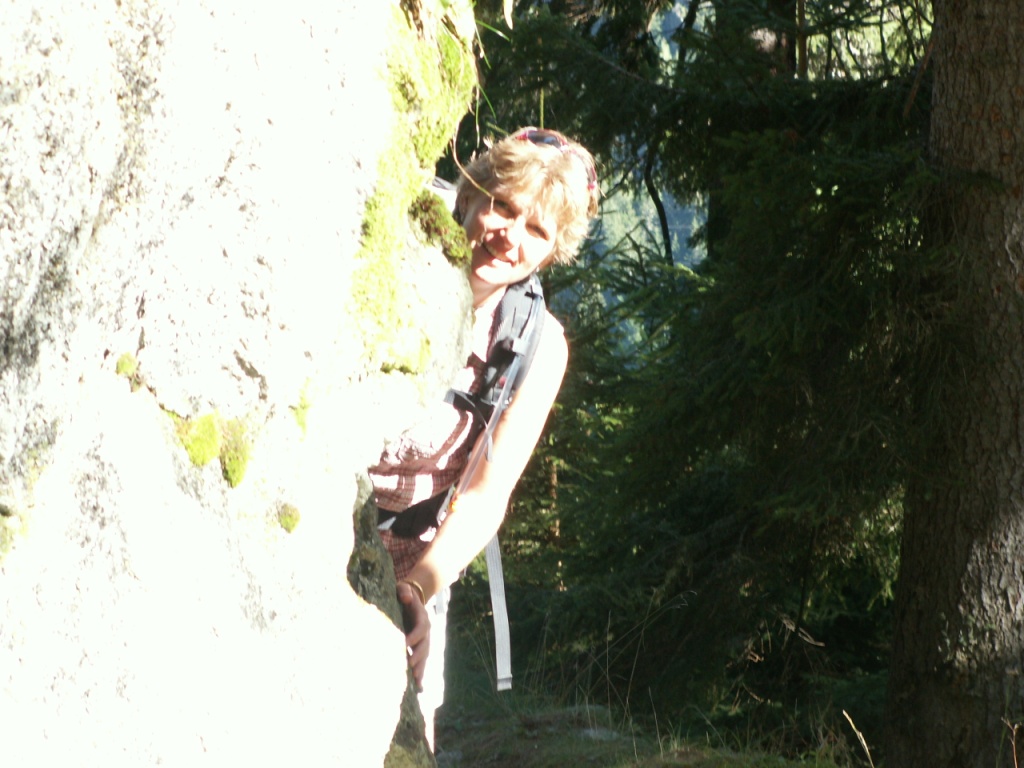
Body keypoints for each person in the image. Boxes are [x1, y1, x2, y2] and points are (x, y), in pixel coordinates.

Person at [369, 127, 599, 747]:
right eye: (502, 206)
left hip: (411, 559)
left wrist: (417, 589)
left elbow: (484, 494)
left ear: (551, 253)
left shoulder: (535, 346)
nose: (510, 236)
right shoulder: (389, 259)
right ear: (468, 195)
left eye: (537, 230)